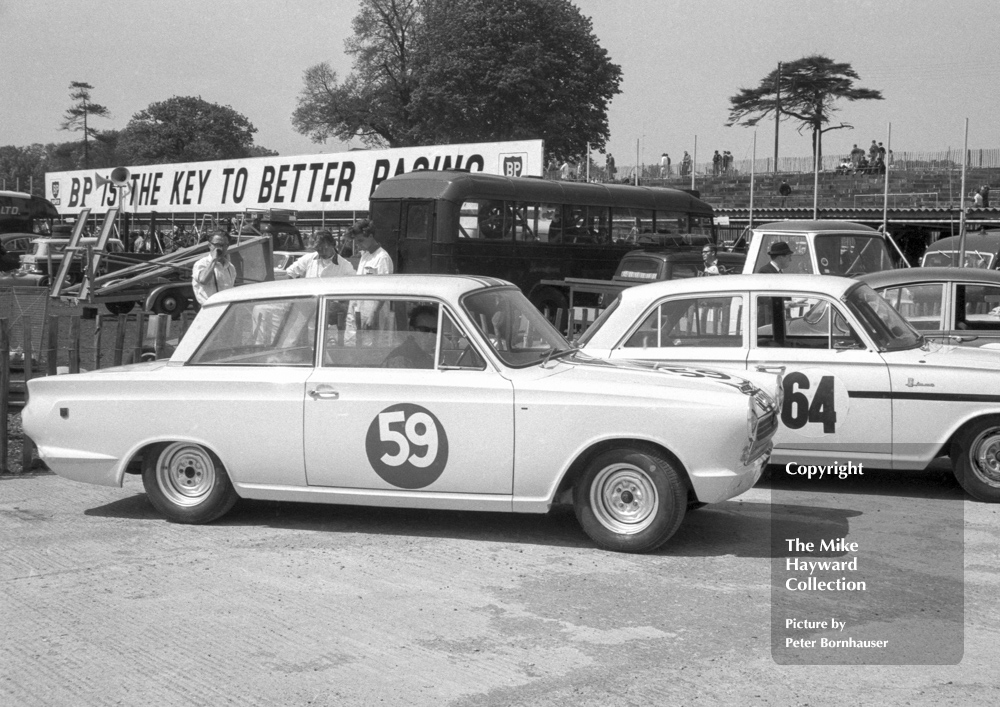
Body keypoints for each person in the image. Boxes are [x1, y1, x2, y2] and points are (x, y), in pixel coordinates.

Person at [383, 304, 438, 369]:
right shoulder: (401, 360)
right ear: (412, 330)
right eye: (425, 330)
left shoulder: (424, 356)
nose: (431, 336)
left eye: (435, 331)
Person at [191, 230, 237, 305]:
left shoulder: (230, 267)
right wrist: (214, 260)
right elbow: (203, 280)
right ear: (210, 245)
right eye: (217, 245)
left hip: (225, 308)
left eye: (224, 245)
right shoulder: (201, 264)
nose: (220, 249)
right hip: (209, 308)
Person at [285, 230, 355, 278]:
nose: (322, 251)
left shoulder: (345, 265)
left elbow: (353, 284)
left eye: (325, 247)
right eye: (318, 248)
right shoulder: (308, 259)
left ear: (332, 244)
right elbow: (290, 272)